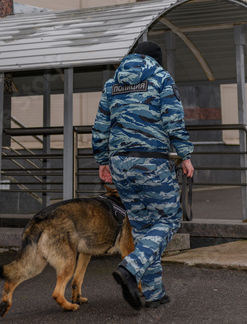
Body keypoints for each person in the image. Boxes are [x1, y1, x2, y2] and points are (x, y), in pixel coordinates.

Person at [91, 41, 194, 310]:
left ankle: (154, 293)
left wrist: (103, 160)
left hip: (121, 165)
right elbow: (173, 118)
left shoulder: (112, 83)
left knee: (144, 228)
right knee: (169, 218)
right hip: (151, 162)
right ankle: (131, 267)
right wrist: (185, 155)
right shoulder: (161, 77)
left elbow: (101, 124)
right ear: (157, 61)